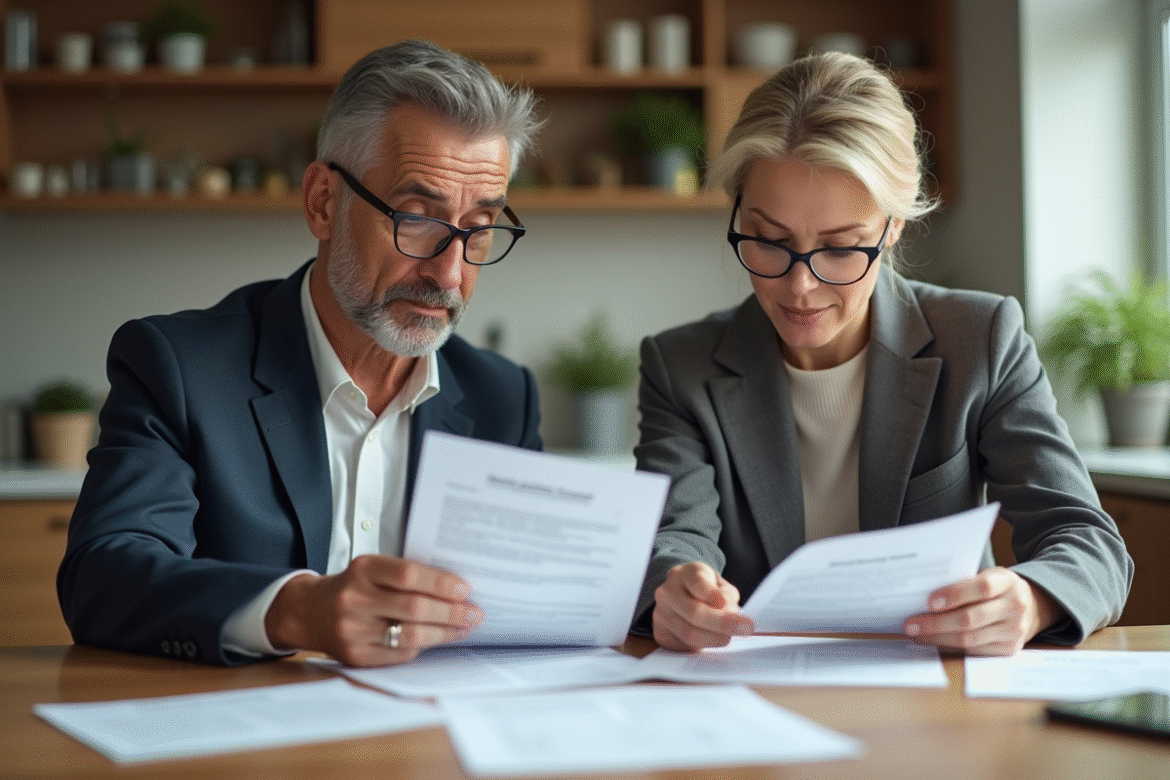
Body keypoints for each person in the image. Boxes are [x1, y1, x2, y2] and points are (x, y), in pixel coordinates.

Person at [58, 39, 544, 668]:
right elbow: (105, 578)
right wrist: (297, 611)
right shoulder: (179, 367)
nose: (449, 274)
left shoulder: (504, 398)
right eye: (416, 217)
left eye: (479, 229)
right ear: (322, 201)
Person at [634, 52, 1132, 657]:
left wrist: (1031, 600)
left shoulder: (981, 338)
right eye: (768, 241)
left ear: (893, 227)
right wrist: (674, 590)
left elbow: (1086, 540)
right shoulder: (679, 365)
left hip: (938, 705)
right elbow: (675, 539)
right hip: (756, 699)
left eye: (841, 249)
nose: (800, 287)